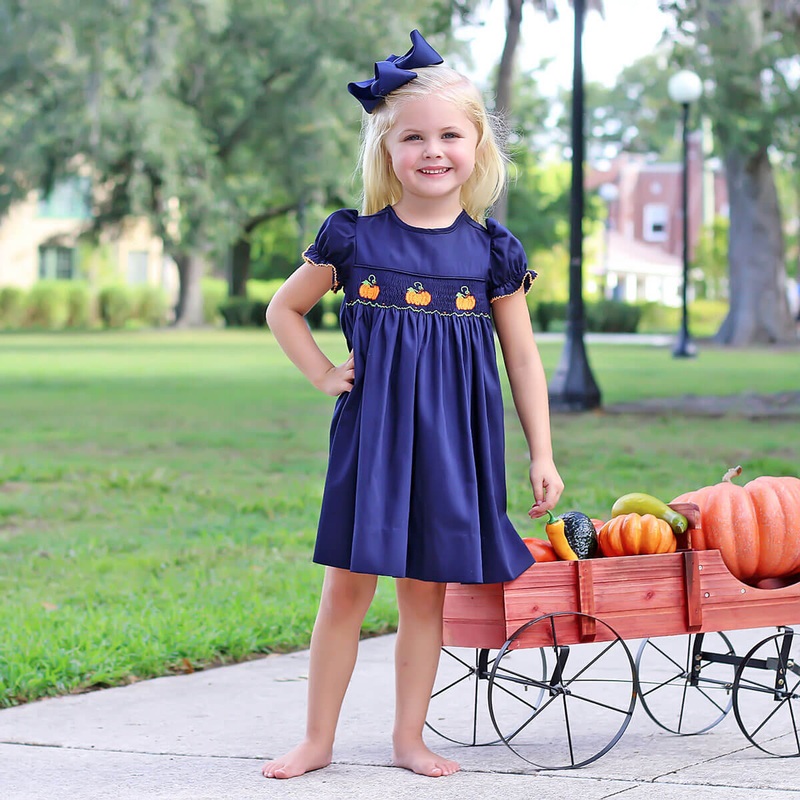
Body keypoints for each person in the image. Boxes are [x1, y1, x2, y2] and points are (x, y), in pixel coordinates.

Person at [262, 30, 564, 780]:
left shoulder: (491, 252)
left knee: (424, 595)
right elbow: (282, 310)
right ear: (387, 151)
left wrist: (543, 453)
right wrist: (324, 373)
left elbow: (521, 357)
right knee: (346, 590)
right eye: (414, 137)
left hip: (453, 446)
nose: (434, 150)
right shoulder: (352, 240)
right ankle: (317, 741)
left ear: (477, 145)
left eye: (450, 135)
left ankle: (409, 739)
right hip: (373, 440)